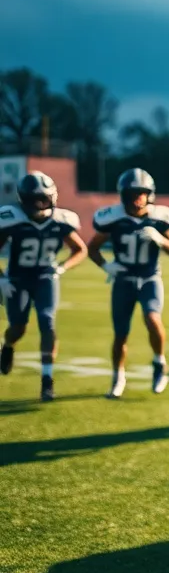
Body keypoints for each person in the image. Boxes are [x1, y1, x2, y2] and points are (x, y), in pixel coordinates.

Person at [88, 169, 169, 399]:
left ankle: (159, 362)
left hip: (150, 278)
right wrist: (106, 266)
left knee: (152, 318)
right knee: (120, 333)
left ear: (150, 194)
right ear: (123, 194)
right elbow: (92, 248)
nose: (137, 198)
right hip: (123, 280)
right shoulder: (113, 217)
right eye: (133, 193)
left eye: (142, 193)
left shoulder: (160, 218)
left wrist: (160, 239)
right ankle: (118, 376)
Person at [0, 172, 87, 401]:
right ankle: (8, 344)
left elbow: (80, 249)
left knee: (47, 322)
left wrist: (62, 268)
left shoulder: (61, 220)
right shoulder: (13, 219)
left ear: (52, 197)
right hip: (17, 279)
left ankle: (47, 380)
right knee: (17, 328)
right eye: (33, 199)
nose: (38, 204)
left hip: (46, 277)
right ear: (23, 200)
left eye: (43, 198)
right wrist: (1, 278)